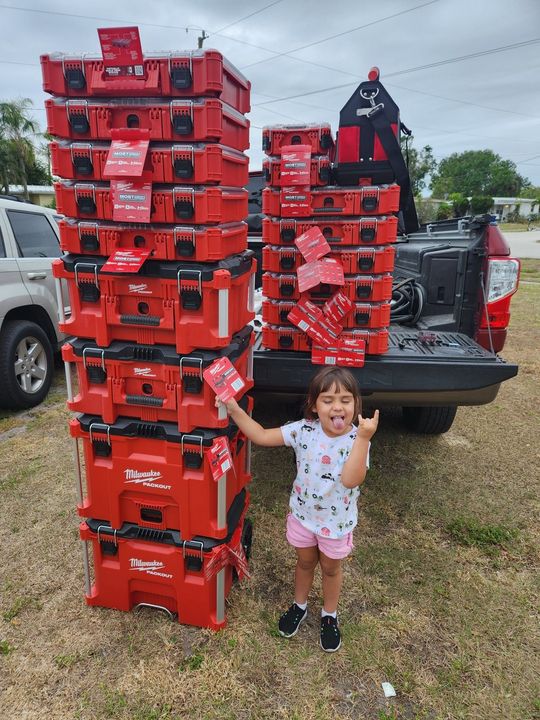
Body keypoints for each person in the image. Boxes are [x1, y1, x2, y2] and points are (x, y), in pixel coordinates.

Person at [215, 366, 379, 652]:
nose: (337, 406)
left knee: (330, 568)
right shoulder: (303, 430)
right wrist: (233, 410)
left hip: (335, 523)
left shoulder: (357, 441)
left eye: (345, 399)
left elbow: (352, 479)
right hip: (304, 517)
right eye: (328, 400)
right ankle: (299, 605)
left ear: (356, 405)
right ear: (314, 405)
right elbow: (263, 436)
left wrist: (365, 439)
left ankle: (330, 615)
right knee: (304, 563)